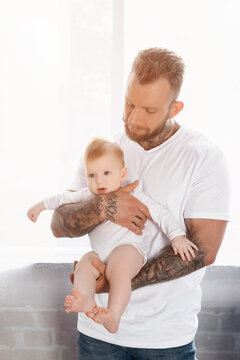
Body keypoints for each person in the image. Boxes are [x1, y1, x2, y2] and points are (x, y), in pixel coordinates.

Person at [51, 48, 230, 359]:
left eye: (148, 110)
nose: (132, 119)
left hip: (164, 338)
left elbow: (204, 250)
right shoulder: (104, 150)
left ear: (175, 108)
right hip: (96, 333)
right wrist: (103, 207)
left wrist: (114, 282)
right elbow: (59, 225)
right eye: (129, 103)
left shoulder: (203, 157)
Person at [27, 137, 197, 334]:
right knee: (85, 263)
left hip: (129, 250)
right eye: (92, 175)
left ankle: (114, 315)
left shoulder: (134, 194)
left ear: (122, 173)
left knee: (119, 269)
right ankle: (86, 299)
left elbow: (160, 214)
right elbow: (64, 199)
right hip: (100, 253)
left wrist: (177, 236)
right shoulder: (88, 196)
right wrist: (40, 206)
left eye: (107, 173)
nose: (99, 181)